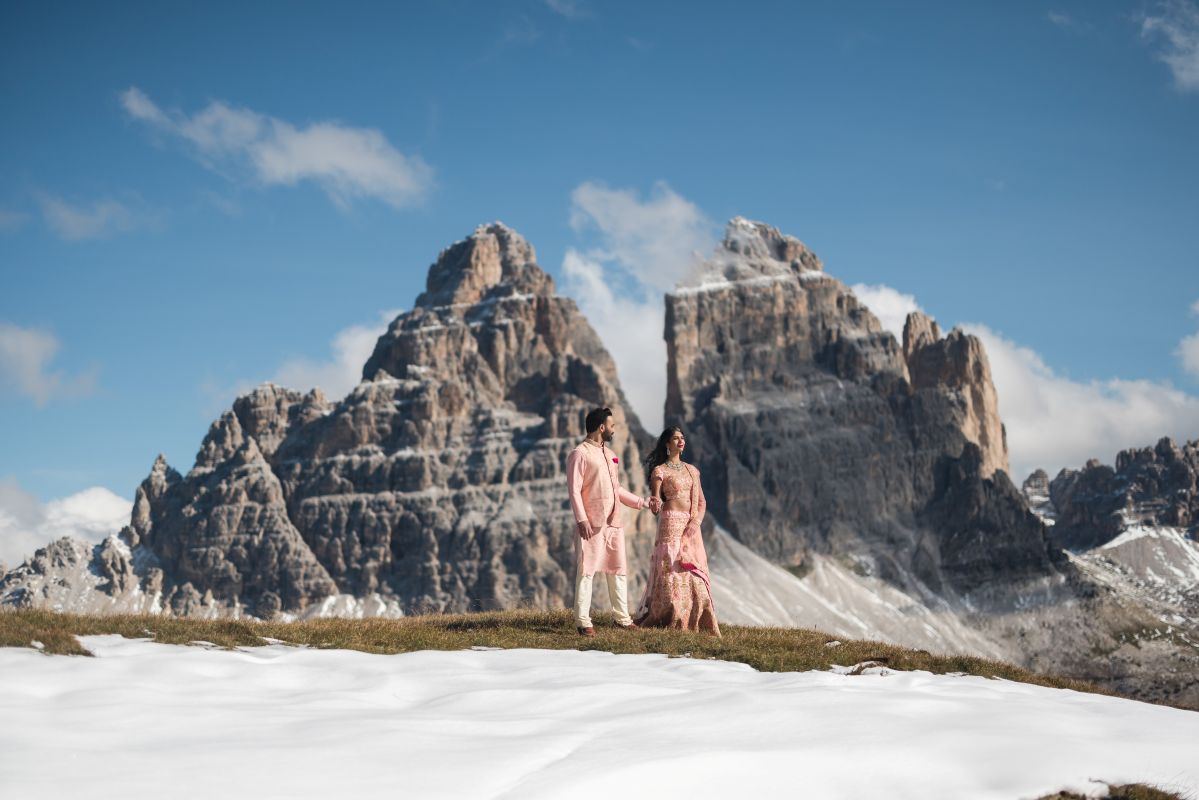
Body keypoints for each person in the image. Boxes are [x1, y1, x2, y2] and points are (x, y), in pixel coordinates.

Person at [566, 407, 661, 637]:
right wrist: (581, 519)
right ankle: (583, 621)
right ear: (601, 427)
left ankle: (622, 618)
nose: (613, 429)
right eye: (611, 425)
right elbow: (574, 490)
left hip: (613, 523)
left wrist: (643, 502)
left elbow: (616, 489)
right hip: (592, 523)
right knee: (587, 571)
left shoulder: (610, 455)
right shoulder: (580, 454)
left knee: (618, 570)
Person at [633, 426, 720, 636]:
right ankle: (671, 614)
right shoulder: (660, 470)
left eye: (682, 437)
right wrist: (654, 503)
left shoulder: (692, 470)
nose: (681, 441)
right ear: (667, 443)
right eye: (675, 438)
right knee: (671, 567)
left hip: (690, 526)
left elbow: (701, 502)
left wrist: (695, 522)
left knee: (692, 570)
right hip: (670, 523)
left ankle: (696, 615)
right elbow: (656, 500)